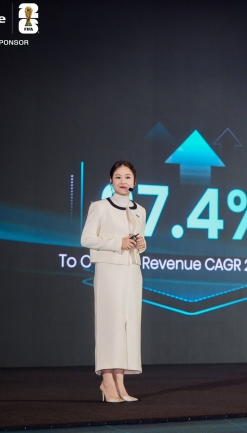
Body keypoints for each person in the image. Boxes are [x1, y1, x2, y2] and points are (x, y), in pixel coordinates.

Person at [81, 161, 147, 403]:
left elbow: (139, 239)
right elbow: (86, 239)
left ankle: (120, 381)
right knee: (110, 324)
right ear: (111, 181)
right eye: (118, 177)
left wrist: (141, 244)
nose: (123, 181)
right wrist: (118, 242)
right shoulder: (99, 207)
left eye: (127, 177)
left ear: (134, 182)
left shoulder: (140, 210)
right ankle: (107, 380)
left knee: (128, 325)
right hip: (109, 269)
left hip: (132, 270)